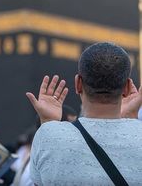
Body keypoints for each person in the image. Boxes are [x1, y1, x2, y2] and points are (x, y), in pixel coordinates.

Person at [26, 42, 142, 185]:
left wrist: (48, 123)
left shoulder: (48, 135)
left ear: (78, 84)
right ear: (127, 87)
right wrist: (131, 117)